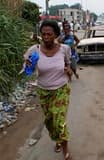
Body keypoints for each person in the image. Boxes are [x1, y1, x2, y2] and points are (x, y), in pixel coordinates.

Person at [24, 20, 72, 160]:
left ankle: (65, 150)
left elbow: (68, 64)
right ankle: (57, 139)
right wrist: (27, 64)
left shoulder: (64, 49)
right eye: (43, 34)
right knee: (50, 122)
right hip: (43, 91)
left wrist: (68, 70)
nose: (46, 37)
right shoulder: (35, 50)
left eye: (49, 34)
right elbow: (26, 65)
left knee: (59, 121)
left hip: (61, 90)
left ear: (56, 35)